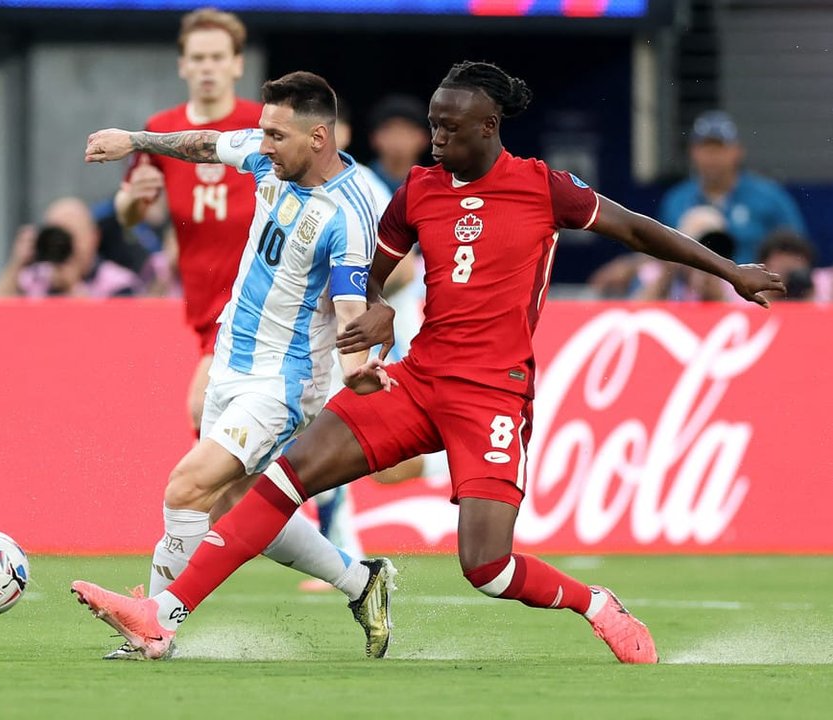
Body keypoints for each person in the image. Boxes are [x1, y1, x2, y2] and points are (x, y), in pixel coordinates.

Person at [71, 61, 785, 663]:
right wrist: (374, 314)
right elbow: (370, 275)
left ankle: (593, 601)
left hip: (493, 398)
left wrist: (730, 271)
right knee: (282, 480)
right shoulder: (418, 191)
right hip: (417, 378)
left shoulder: (542, 186)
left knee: (488, 568)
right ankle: (163, 614)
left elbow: (636, 229)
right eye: (433, 124)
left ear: (488, 127)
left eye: (448, 127)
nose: (435, 138)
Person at [72, 71, 398, 660]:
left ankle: (155, 627)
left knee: (187, 485)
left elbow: (353, 303)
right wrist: (134, 139)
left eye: (276, 134)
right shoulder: (268, 157)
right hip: (229, 358)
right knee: (240, 504)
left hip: (283, 381)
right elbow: (204, 144)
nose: (261, 142)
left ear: (318, 137)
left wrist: (356, 366)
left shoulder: (348, 215)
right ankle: (362, 581)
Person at [115, 7, 263, 435]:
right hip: (202, 302)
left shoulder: (259, 124)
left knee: (204, 409)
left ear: (237, 64)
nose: (207, 68)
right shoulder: (161, 130)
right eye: (198, 58)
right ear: (182, 65)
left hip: (254, 295)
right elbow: (130, 215)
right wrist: (133, 198)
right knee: (228, 432)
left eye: (218, 57)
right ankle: (310, 499)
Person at [660, 110, 808, 264]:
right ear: (692, 152)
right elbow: (660, 258)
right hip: (691, 287)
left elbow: (798, 254)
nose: (712, 156)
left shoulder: (770, 197)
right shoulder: (676, 200)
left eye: (720, 147)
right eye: (705, 147)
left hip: (753, 286)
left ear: (738, 151)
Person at [0, 197, 146, 298]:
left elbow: (115, 335)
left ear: (94, 238)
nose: (63, 244)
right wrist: (17, 263)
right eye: (58, 235)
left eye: (71, 236)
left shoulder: (119, 283)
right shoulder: (34, 277)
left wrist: (72, 287)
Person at [366, 93, 430, 194]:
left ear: (424, 139)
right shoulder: (359, 182)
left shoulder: (434, 188)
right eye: (389, 130)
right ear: (374, 138)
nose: (398, 138)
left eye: (407, 131)